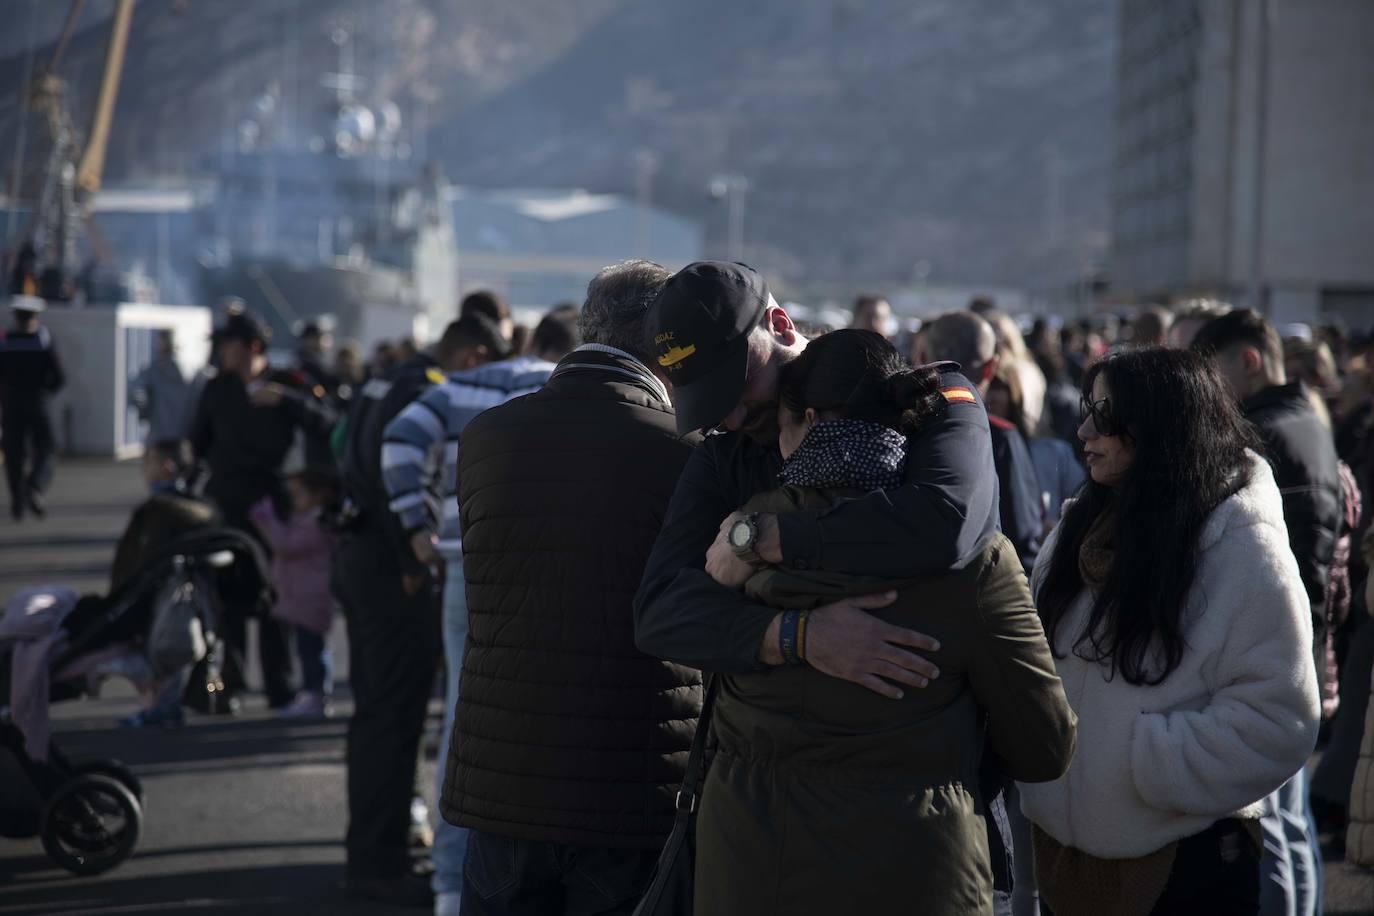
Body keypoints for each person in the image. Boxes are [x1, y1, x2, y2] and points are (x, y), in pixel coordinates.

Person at [634, 262, 1024, 908]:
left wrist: (765, 538)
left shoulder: (922, 398)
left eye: (735, 385)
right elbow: (661, 613)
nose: (730, 415)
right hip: (769, 831)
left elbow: (947, 524)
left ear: (781, 325)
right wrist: (795, 636)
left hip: (919, 824)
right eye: (706, 400)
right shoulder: (729, 448)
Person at [692, 328, 1076, 915]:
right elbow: (1047, 745)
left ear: (811, 419)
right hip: (918, 868)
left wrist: (788, 634)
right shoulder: (976, 561)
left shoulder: (740, 539)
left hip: (750, 864)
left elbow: (682, 630)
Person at [1020, 347, 1320, 915]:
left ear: (1162, 424)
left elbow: (1281, 719)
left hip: (1186, 865)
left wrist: (1147, 762)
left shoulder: (1240, 545)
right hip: (1067, 865)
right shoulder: (1081, 526)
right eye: (1088, 408)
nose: (1084, 428)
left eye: (1106, 415)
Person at [440, 261, 698, 916]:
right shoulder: (686, 454)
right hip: (628, 785)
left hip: (503, 781)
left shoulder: (487, 437)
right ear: (668, 342)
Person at [383, 305, 577, 914]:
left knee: (463, 718)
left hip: (465, 559)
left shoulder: (459, 386)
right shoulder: (553, 383)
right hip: (539, 567)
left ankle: (448, 881)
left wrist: (415, 524)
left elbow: (398, 442)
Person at [333, 312, 510, 908]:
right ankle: (379, 860)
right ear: (472, 356)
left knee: (377, 714)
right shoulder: (424, 387)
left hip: (359, 556)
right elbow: (393, 463)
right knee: (396, 717)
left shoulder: (389, 377)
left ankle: (373, 849)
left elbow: (345, 449)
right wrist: (416, 546)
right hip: (393, 568)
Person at [1192, 310, 1342, 916]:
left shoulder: (1267, 432)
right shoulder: (1308, 418)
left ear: (1248, 361)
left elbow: (1275, 556)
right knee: (1292, 818)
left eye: (1211, 372)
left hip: (1276, 639)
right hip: (1302, 634)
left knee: (1269, 822)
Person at [186, 310, 337, 713]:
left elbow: (330, 422)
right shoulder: (217, 389)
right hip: (228, 507)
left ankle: (281, 688)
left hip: (275, 509)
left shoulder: (289, 383)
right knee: (229, 599)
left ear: (252, 348)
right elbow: (196, 443)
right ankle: (230, 686)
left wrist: (287, 401)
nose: (220, 352)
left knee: (277, 601)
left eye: (228, 345)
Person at [923, 310, 1042, 573]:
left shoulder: (901, 429)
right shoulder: (1000, 435)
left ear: (922, 358)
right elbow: (1022, 532)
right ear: (991, 367)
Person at [112, 441, 218, 730]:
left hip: (163, 591)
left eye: (148, 464)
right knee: (172, 654)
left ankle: (163, 709)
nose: (144, 471)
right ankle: (163, 708)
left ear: (166, 467)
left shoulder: (161, 511)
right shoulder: (197, 507)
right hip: (182, 593)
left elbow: (142, 554)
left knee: (164, 653)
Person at [249, 468, 339, 718]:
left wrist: (266, 520)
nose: (294, 501)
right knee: (312, 648)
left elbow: (286, 545)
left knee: (310, 650)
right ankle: (318, 692)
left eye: (299, 495)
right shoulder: (312, 519)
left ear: (318, 495)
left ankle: (315, 693)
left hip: (309, 598)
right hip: (304, 597)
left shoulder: (315, 522)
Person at [986, 362, 1085, 529]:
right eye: (985, 386)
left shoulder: (1054, 453)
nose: (989, 396)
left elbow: (1084, 505)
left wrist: (1059, 530)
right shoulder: (976, 452)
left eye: (997, 387)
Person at [0, 295, 64, 521]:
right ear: (35, 317)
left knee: (14, 454)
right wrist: (45, 393)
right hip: (38, 402)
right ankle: (35, 486)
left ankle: (17, 503)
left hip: (10, 404)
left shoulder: (5, 341)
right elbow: (58, 376)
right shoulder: (43, 340)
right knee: (47, 447)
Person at [129, 329, 193, 453]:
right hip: (185, 438)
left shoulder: (153, 371)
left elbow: (136, 394)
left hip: (158, 437)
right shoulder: (192, 372)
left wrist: (145, 413)